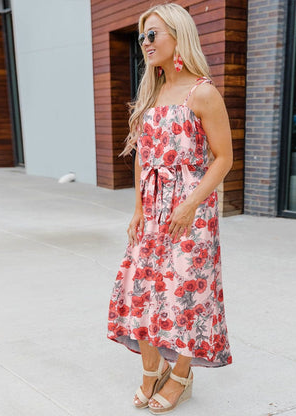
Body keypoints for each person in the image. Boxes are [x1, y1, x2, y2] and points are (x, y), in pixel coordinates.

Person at [107, 3, 233, 413]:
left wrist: (190, 205)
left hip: (191, 212)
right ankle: (150, 370)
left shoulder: (204, 93)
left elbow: (224, 158)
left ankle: (180, 375)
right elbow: (144, 155)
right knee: (140, 289)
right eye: (142, 37)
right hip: (153, 207)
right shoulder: (152, 92)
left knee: (185, 294)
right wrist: (139, 208)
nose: (144, 43)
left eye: (152, 34)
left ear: (178, 37)